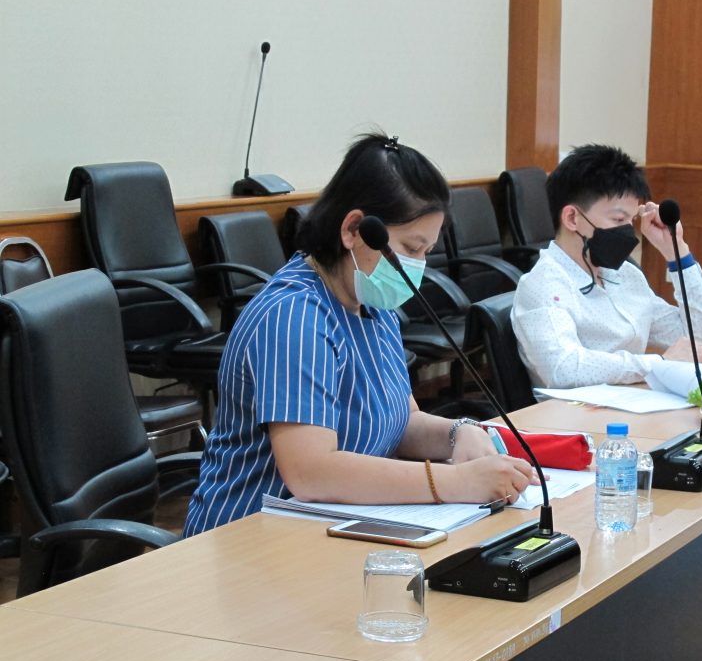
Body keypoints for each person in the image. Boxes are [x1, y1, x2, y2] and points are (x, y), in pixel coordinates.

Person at [184, 133, 535, 536]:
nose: (418, 266)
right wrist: (455, 482)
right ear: (354, 229)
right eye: (411, 248)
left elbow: (401, 422)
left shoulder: (372, 302)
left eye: (426, 251)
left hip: (329, 528)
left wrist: (458, 433)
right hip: (246, 538)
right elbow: (311, 472)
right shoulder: (293, 316)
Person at [511, 143, 702, 389]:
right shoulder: (542, 286)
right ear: (572, 218)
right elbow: (562, 369)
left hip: (636, 403)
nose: (628, 230)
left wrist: (677, 252)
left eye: (631, 220)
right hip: (574, 411)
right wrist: (658, 364)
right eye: (619, 219)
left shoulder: (625, 275)